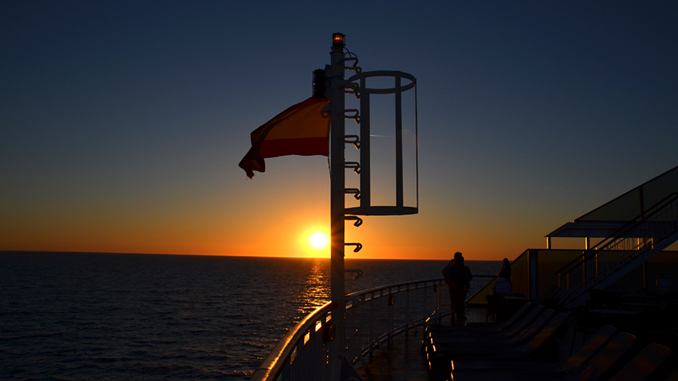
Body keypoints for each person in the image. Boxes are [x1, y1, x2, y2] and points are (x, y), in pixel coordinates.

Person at [442, 252, 473, 325]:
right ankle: (456, 315)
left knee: (460, 302)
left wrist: (464, 281)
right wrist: (451, 280)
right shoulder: (452, 268)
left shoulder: (465, 269)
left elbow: (470, 277)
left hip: (463, 287)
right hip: (455, 288)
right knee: (455, 302)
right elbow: (446, 273)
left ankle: (459, 315)